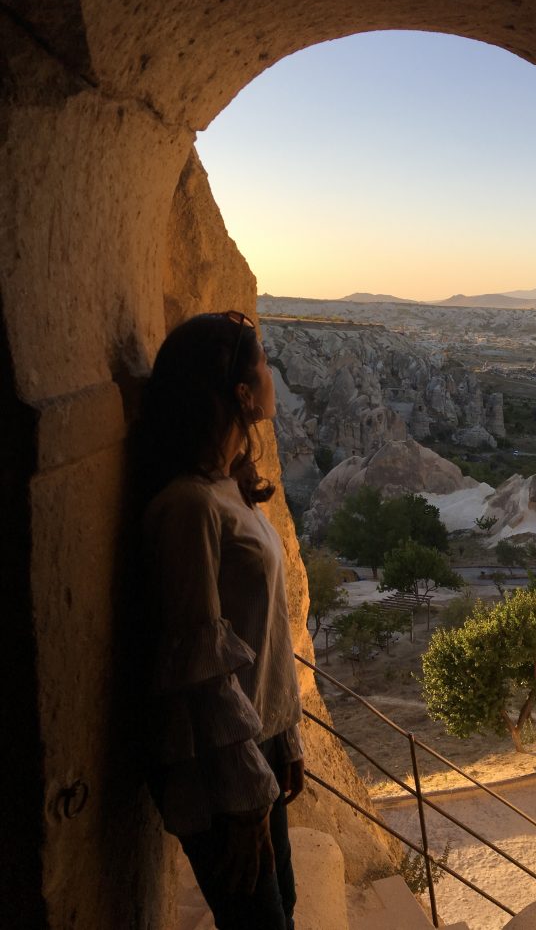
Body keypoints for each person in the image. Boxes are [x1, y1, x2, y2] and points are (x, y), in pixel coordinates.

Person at [137, 310, 304, 930]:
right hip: (217, 767)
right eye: (263, 364)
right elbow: (202, 664)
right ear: (241, 391)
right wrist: (244, 799)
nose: (272, 375)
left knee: (282, 907)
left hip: (252, 747)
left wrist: (283, 734)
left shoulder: (231, 487)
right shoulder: (187, 508)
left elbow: (263, 628)